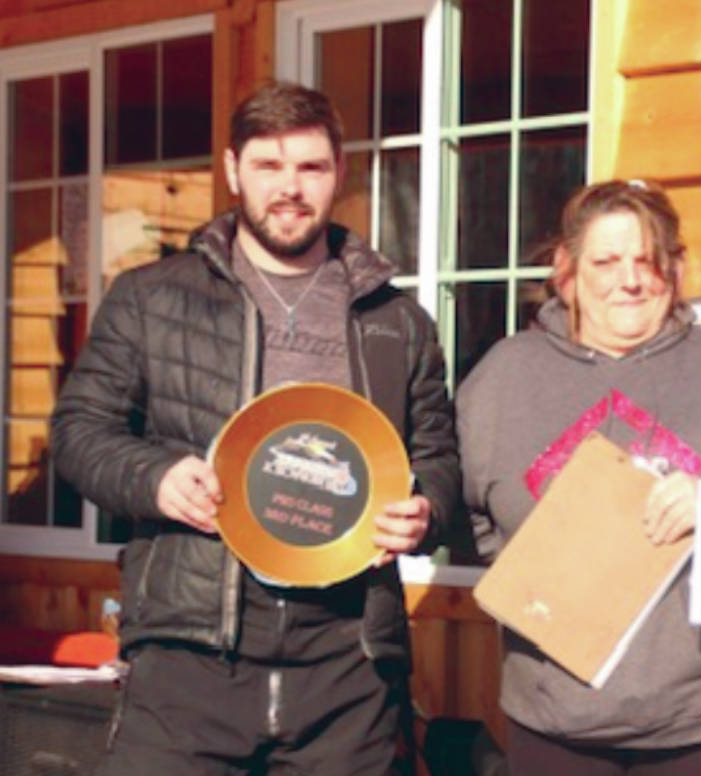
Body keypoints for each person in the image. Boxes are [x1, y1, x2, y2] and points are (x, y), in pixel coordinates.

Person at [50, 82, 459, 775]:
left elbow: (439, 459)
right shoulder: (151, 299)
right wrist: (154, 479)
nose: (290, 188)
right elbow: (78, 431)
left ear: (338, 173)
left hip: (347, 662)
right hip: (189, 659)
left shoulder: (397, 322)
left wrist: (426, 509)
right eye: (269, 167)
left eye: (310, 167)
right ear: (234, 169)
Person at [455, 179, 701, 776]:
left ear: (676, 270)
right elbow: (465, 510)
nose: (628, 280)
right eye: (605, 261)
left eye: (647, 261)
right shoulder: (504, 376)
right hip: (552, 715)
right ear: (566, 269)